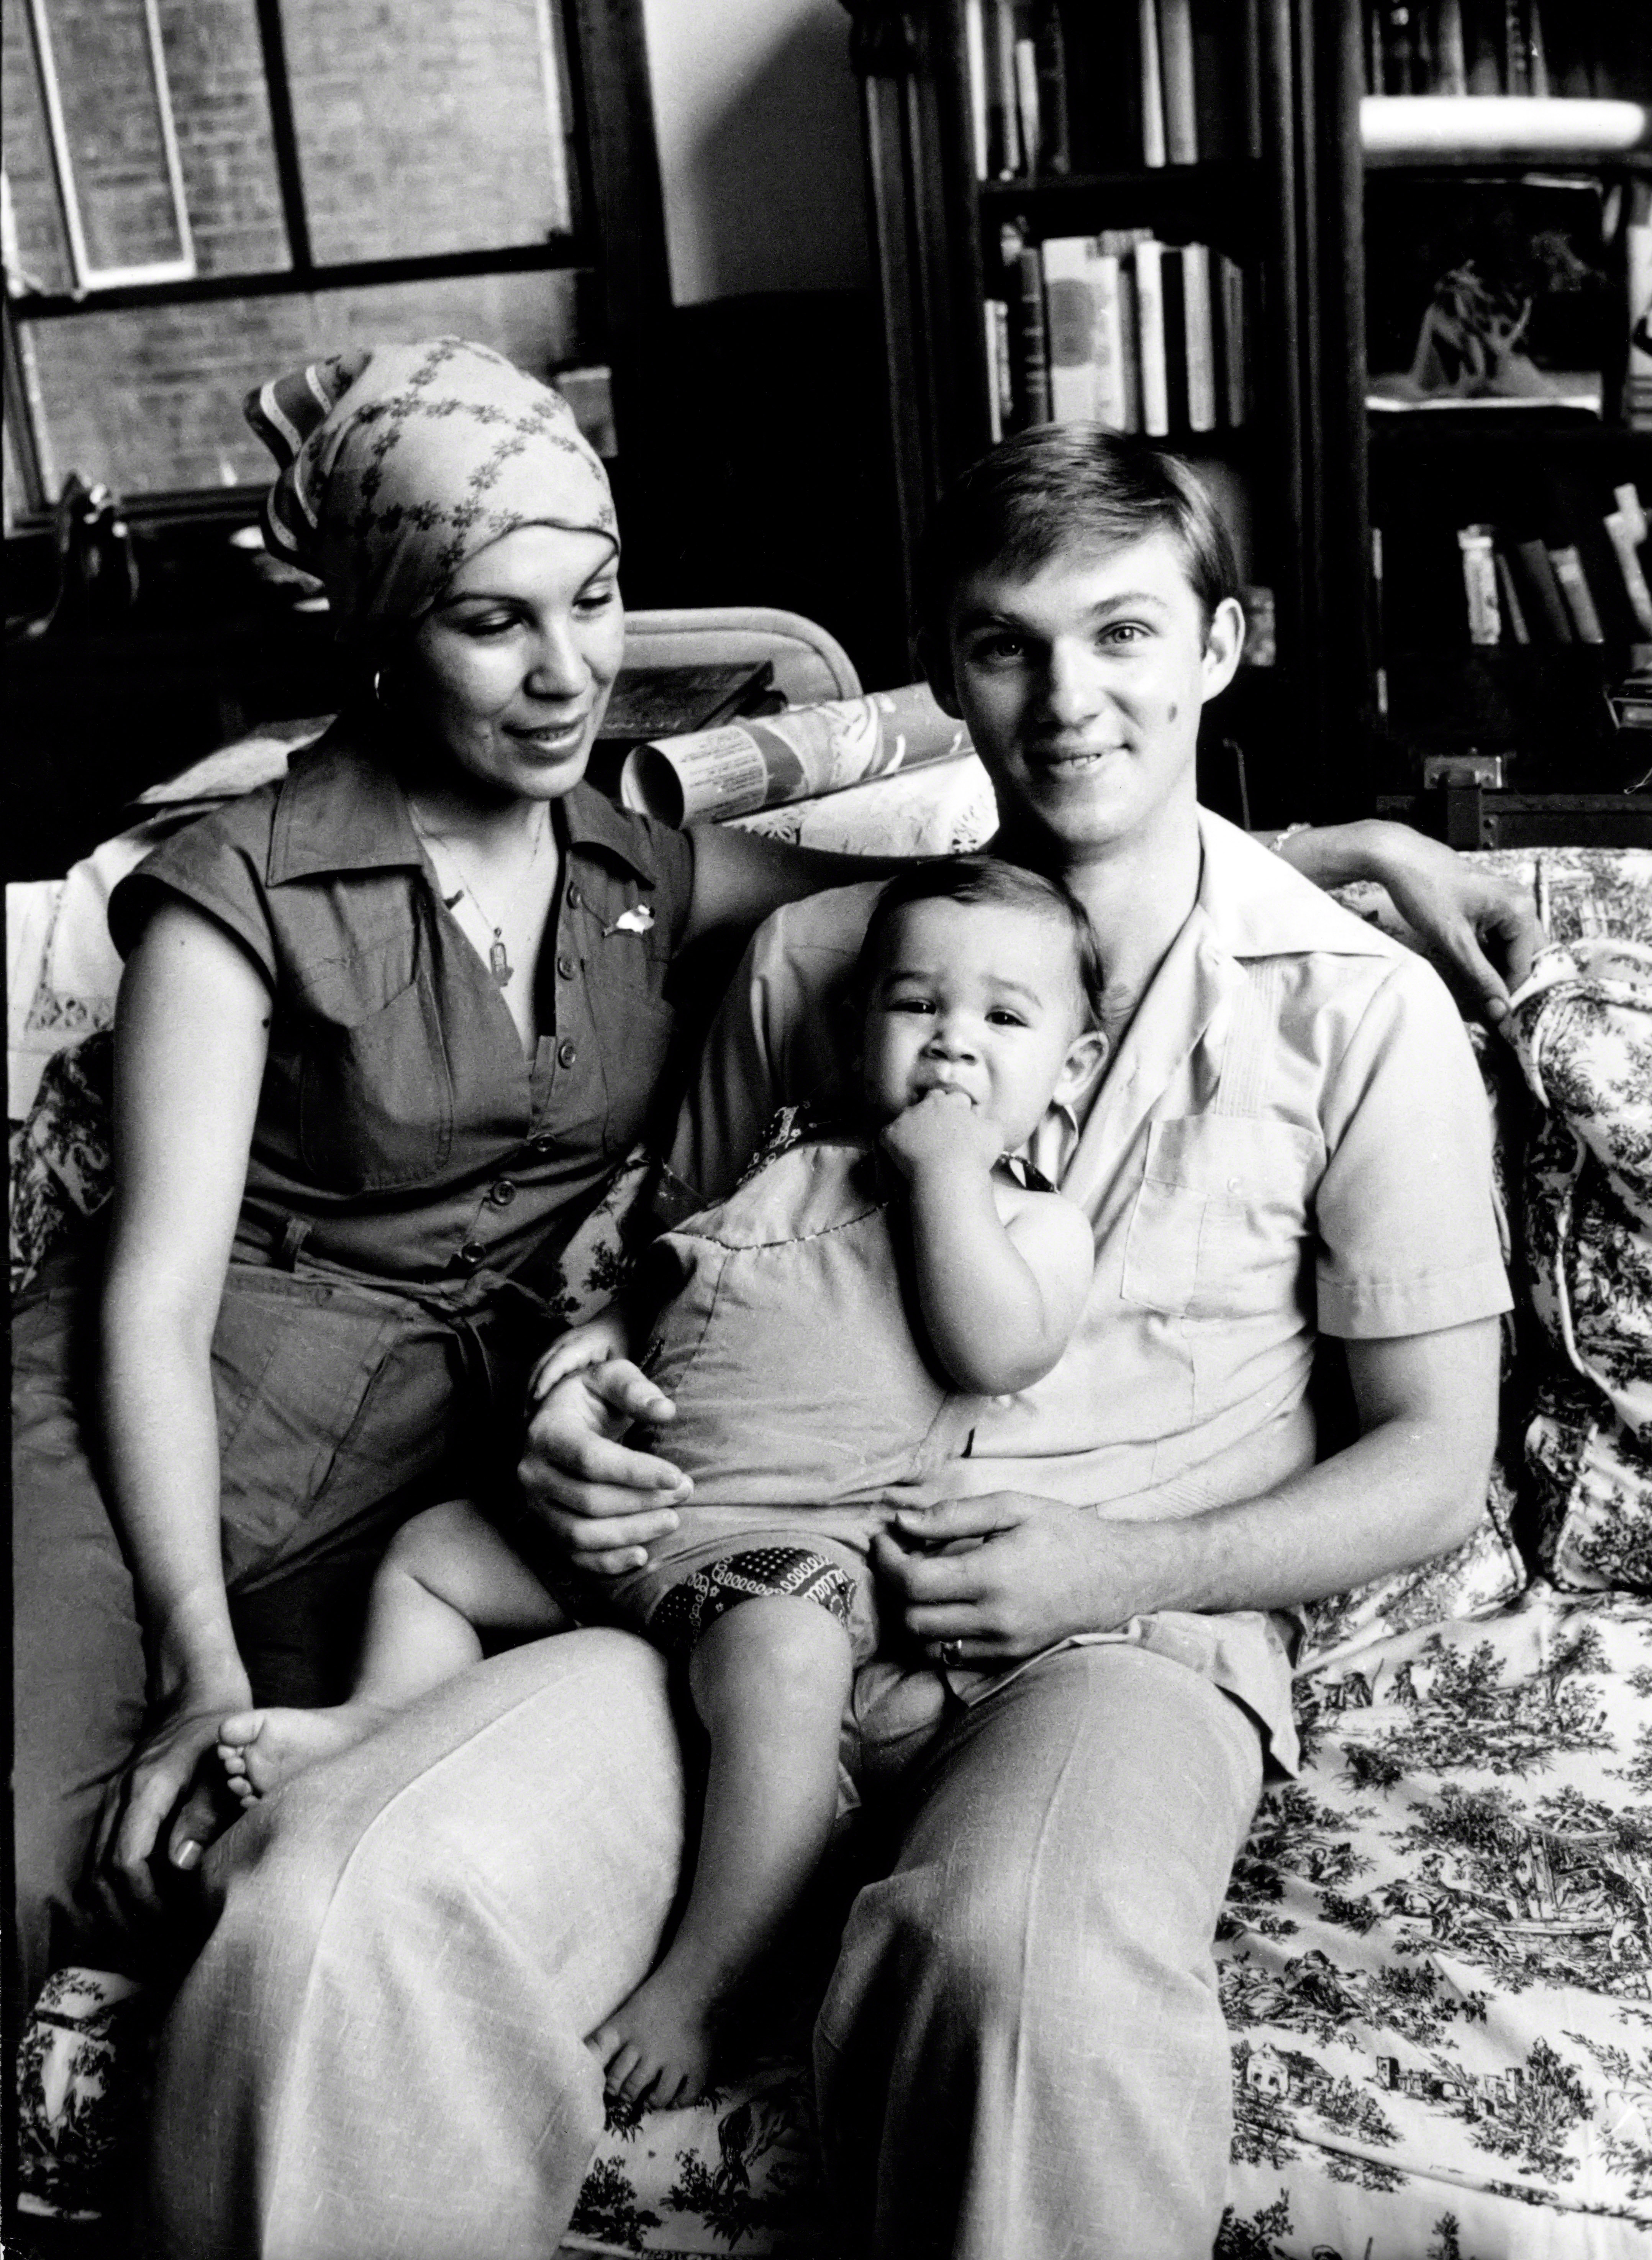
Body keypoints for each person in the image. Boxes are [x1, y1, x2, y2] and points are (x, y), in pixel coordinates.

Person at [143, 420, 1527, 2260]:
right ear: (946, 671)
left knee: (1018, 1977)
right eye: (1006, 644)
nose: (1067, 698)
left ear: (1221, 644)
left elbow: (1433, 1462)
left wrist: (1121, 1563)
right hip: (719, 1588)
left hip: (1108, 1637)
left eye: (1122, 635)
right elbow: (642, 1272)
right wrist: (572, 1400)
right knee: (337, 1897)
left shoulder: (1355, 1009)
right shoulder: (815, 971)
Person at [9, 336, 926, 2024]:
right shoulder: (240, 891)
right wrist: (193, 1661)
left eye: (592, 600)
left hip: (426, 1473)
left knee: (269, 1874)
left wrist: (1325, 853)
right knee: (26, 1862)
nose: (567, 671)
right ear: (378, 629)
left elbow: (949, 893)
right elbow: (152, 1306)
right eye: (491, 621)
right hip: (156, 1440)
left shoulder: (633, 859)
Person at [210, 856, 1106, 2108]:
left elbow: (996, 1344)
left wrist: (949, 1169)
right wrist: (591, 1359)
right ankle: (381, 1716)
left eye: (1005, 1020)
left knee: (787, 1676)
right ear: (859, 1034)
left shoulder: (1026, 1220)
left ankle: (713, 1974)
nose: (953, 1045)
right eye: (918, 1006)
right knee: (431, 1551)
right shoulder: (784, 1154)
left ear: (1070, 1069)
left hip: (780, 1555)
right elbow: (667, 1285)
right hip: (627, 1523)